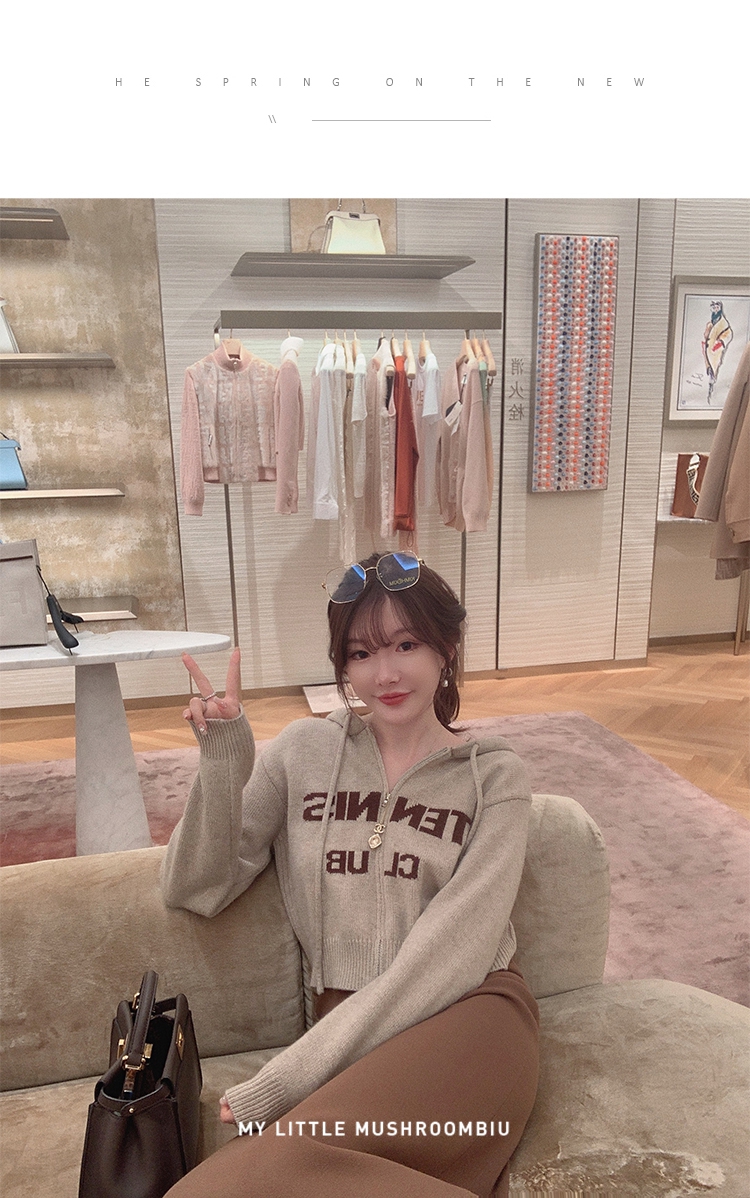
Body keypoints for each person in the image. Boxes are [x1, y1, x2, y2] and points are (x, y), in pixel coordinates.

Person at [161, 551, 539, 1198]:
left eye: (406, 644)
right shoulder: (303, 752)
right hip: (347, 1037)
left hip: (470, 1021)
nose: (384, 674)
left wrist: (290, 1077)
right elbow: (195, 888)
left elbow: (455, 950)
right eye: (361, 653)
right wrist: (224, 760)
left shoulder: (495, 778)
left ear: (446, 648)